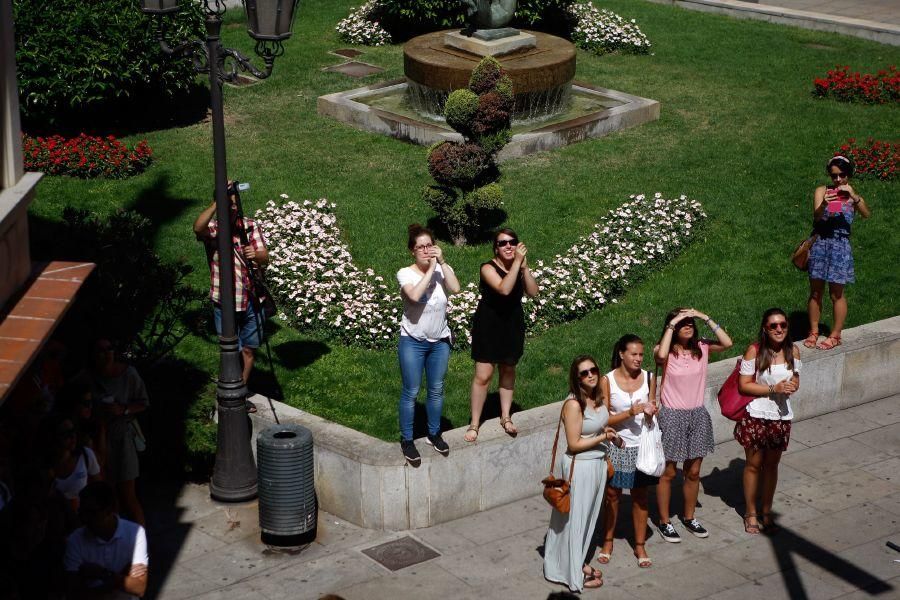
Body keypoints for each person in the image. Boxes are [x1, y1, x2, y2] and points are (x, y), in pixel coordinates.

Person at [653, 308, 732, 542]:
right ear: (673, 327)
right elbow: (660, 355)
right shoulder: (664, 350)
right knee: (668, 472)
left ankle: (689, 517)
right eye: (683, 323)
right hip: (672, 415)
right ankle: (664, 521)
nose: (688, 325)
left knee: (694, 471)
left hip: (697, 414)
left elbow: (727, 343)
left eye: (690, 322)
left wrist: (705, 317)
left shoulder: (702, 348)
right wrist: (673, 323)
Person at [543, 355, 618, 592]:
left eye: (593, 370)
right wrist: (603, 437)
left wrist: (605, 432)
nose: (590, 375)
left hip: (596, 465)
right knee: (575, 520)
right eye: (584, 373)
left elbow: (592, 428)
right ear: (576, 378)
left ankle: (574, 562)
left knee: (585, 520)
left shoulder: (595, 397)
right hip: (581, 467)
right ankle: (573, 571)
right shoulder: (574, 404)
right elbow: (574, 443)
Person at [193, 180, 270, 390]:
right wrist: (218, 202)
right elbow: (197, 228)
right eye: (228, 204)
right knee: (230, 350)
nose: (232, 208)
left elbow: (265, 257)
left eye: (234, 203)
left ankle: (241, 391)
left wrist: (257, 255)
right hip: (225, 300)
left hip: (252, 298)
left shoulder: (249, 225)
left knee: (248, 350)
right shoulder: (214, 229)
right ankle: (230, 388)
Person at [464, 228, 539, 442]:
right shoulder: (487, 267)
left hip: (512, 325)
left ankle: (505, 416)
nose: (508, 246)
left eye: (512, 242)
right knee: (483, 375)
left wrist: (525, 268)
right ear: (496, 248)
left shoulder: (519, 267)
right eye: (503, 243)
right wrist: (516, 264)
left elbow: (533, 292)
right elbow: (504, 289)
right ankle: (475, 423)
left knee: (508, 369)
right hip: (489, 325)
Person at [396, 224, 460, 465]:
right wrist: (431, 268)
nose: (425, 250)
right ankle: (407, 439)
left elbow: (455, 288)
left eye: (429, 246)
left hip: (440, 340)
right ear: (412, 250)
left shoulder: (443, 269)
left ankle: (434, 433)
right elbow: (414, 296)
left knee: (436, 389)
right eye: (420, 247)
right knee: (411, 391)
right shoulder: (405, 273)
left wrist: (441, 263)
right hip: (412, 341)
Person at [737, 308, 801, 534]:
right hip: (757, 414)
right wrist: (774, 388)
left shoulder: (794, 350)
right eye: (773, 326)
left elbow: (796, 379)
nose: (779, 329)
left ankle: (766, 510)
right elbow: (743, 385)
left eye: (783, 325)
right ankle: (751, 512)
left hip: (781, 416)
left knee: (772, 465)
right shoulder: (754, 351)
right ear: (765, 328)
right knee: (754, 465)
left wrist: (792, 386)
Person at [598, 334, 657, 568]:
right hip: (617, 445)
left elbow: (652, 406)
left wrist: (652, 411)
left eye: (641, 354)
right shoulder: (607, 380)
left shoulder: (650, 377)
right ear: (621, 354)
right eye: (634, 354)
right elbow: (604, 419)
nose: (639, 359)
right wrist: (630, 413)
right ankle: (608, 540)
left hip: (642, 445)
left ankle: (640, 545)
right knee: (612, 495)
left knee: (640, 497)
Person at [805, 155, 871, 351]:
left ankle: (835, 334)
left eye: (842, 175)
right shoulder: (822, 191)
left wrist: (853, 195)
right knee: (816, 291)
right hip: (821, 243)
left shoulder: (853, 196)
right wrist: (825, 203)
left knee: (837, 294)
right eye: (834, 175)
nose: (838, 179)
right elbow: (817, 217)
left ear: (848, 175)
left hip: (840, 248)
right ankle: (814, 331)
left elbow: (866, 214)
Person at [81, 339, 148, 526]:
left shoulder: (128, 374)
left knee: (128, 494)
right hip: (98, 437)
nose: (106, 353)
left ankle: (140, 545)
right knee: (108, 493)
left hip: (122, 436)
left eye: (109, 348)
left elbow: (143, 403)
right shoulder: (87, 377)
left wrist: (123, 409)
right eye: (101, 350)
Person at [64, 481, 148, 599]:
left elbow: (139, 588)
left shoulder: (135, 533)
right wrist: (121, 578)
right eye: (82, 512)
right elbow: (73, 593)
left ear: (109, 511)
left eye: (92, 513)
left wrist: (101, 574)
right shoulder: (75, 540)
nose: (84, 519)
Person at [43, 415, 102, 512]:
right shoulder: (43, 464)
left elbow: (100, 489)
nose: (73, 436)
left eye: (73, 431)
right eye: (66, 433)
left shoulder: (86, 455)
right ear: (53, 436)